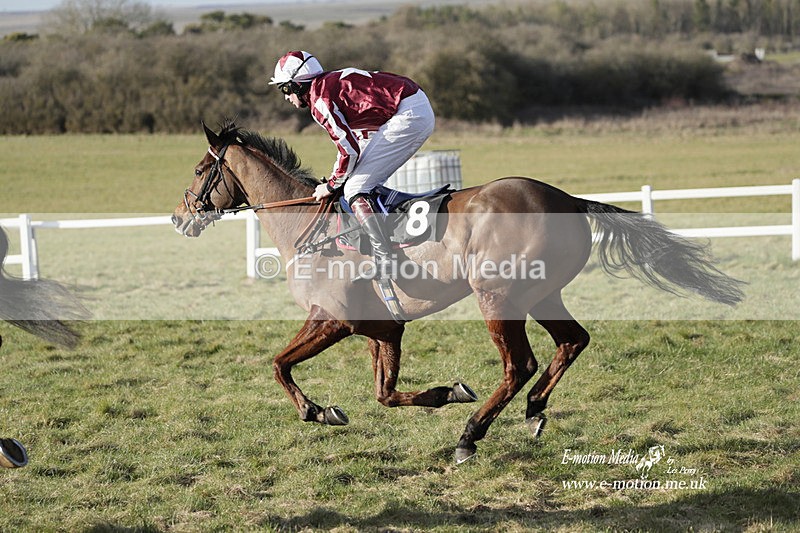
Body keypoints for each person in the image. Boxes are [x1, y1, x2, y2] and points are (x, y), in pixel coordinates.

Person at [269, 50, 435, 320]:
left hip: (409, 114)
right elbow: (352, 146)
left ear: (298, 84)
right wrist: (337, 177)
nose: (287, 98)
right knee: (359, 180)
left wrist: (332, 184)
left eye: (285, 90)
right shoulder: (325, 87)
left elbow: (349, 151)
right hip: (408, 107)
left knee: (354, 188)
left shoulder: (319, 100)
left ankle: (386, 259)